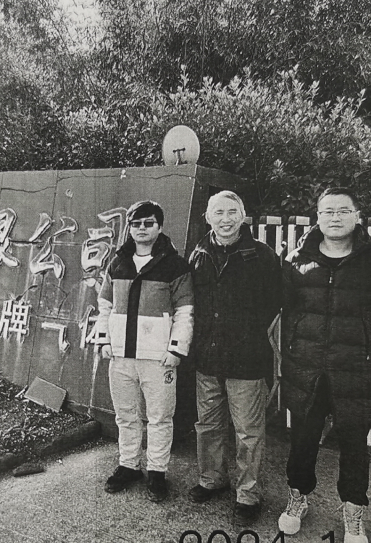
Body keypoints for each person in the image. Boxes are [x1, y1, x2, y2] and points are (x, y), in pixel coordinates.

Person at [278, 188, 371, 543]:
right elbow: (288, 306)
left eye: (343, 211)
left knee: (353, 442)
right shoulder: (298, 260)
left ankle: (353, 510)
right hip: (307, 368)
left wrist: (366, 340)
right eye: (328, 211)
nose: (335, 217)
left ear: (357, 216)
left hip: (356, 370)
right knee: (302, 439)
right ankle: (298, 497)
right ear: (317, 217)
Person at [186, 191, 282, 525]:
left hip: (247, 360)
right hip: (207, 358)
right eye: (218, 212)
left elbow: (274, 304)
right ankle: (212, 479)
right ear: (207, 217)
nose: (225, 219)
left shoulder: (263, 256)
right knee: (208, 425)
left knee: (247, 432)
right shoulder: (198, 254)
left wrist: (247, 333)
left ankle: (248, 494)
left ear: (243, 216)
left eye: (231, 212)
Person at [96, 200, 194, 502]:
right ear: (129, 228)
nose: (142, 229)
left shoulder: (175, 265)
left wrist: (176, 349)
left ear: (159, 227)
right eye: (136, 223)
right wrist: (104, 340)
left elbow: (185, 311)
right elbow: (104, 305)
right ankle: (128, 465)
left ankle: (157, 472)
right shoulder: (117, 263)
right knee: (126, 415)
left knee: (160, 418)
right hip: (121, 356)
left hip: (159, 358)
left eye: (148, 223)